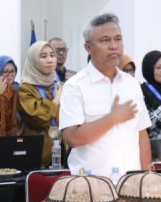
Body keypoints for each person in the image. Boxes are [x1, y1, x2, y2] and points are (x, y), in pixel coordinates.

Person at [60, 14, 151, 177]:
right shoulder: (75, 86)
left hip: (131, 186)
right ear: (88, 47)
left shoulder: (131, 84)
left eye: (118, 39)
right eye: (105, 40)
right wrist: (112, 118)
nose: (114, 46)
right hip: (92, 188)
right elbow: (72, 138)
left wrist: (145, 178)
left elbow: (142, 135)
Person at [18, 41, 62, 166]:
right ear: (34, 60)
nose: (50, 60)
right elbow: (38, 119)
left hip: (61, 153)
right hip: (36, 154)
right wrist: (55, 102)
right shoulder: (25, 88)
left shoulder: (59, 86)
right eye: (43, 56)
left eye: (52, 55)